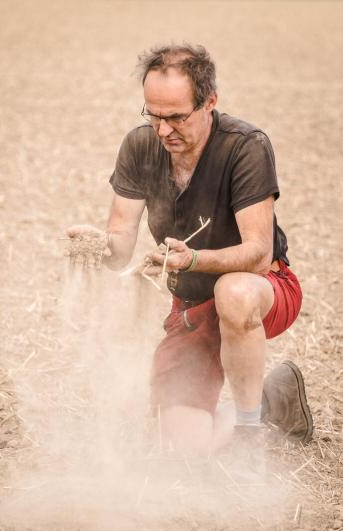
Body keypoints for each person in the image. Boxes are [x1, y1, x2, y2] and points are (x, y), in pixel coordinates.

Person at [67, 43, 313, 459]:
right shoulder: (140, 146)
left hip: (262, 288)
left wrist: (194, 259)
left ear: (209, 101)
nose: (163, 131)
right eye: (153, 115)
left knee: (232, 292)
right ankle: (275, 397)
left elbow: (257, 252)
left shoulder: (245, 146)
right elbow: (120, 242)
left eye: (176, 117)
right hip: (193, 303)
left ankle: (251, 436)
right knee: (182, 448)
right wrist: (96, 249)